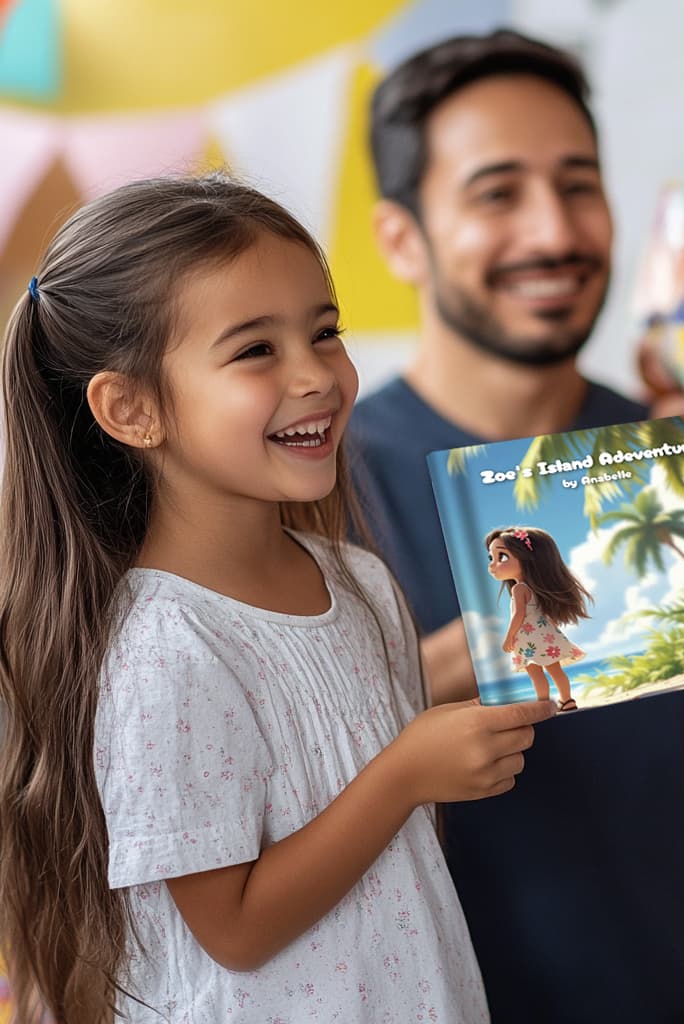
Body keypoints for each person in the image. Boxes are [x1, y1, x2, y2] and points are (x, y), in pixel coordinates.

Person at [348, 30, 684, 1023]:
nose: (553, 230)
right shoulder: (328, 481)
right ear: (400, 238)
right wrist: (498, 647)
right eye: (497, 192)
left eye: (578, 183)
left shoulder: (672, 456)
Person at [0, 174, 558, 1024]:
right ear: (131, 408)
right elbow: (234, 928)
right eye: (256, 349)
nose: (317, 376)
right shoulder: (164, 648)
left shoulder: (358, 581)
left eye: (324, 331)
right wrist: (408, 771)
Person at [486, 526, 590, 710]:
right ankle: (567, 700)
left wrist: (509, 637)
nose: (492, 565)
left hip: (527, 640)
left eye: (502, 557)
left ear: (526, 559)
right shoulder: (534, 588)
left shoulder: (519, 589)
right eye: (491, 558)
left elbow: (519, 615)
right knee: (555, 670)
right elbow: (542, 612)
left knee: (535, 674)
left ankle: (543, 705)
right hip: (544, 637)